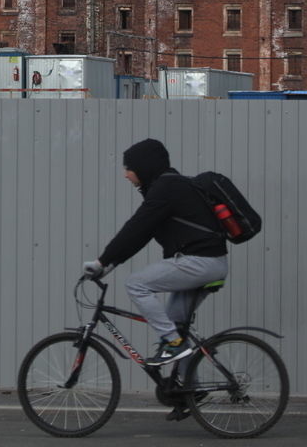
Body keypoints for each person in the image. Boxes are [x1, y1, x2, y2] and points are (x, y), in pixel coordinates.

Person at [82, 138, 228, 369]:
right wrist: (109, 265)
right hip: (208, 263)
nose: (126, 174)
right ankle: (187, 391)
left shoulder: (166, 188)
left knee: (136, 284)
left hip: (200, 263)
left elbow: (135, 227)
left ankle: (173, 341)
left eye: (129, 168)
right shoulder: (168, 187)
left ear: (144, 166)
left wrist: (102, 260)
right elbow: (142, 235)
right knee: (172, 323)